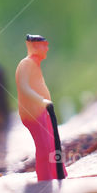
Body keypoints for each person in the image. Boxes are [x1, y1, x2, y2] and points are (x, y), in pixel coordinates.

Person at [16, 34, 66, 180]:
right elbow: (24, 87)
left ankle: (56, 173)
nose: (47, 48)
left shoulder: (35, 64)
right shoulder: (26, 64)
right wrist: (41, 100)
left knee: (51, 143)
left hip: (43, 111)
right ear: (34, 46)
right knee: (44, 146)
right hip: (32, 113)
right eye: (44, 45)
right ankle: (45, 178)